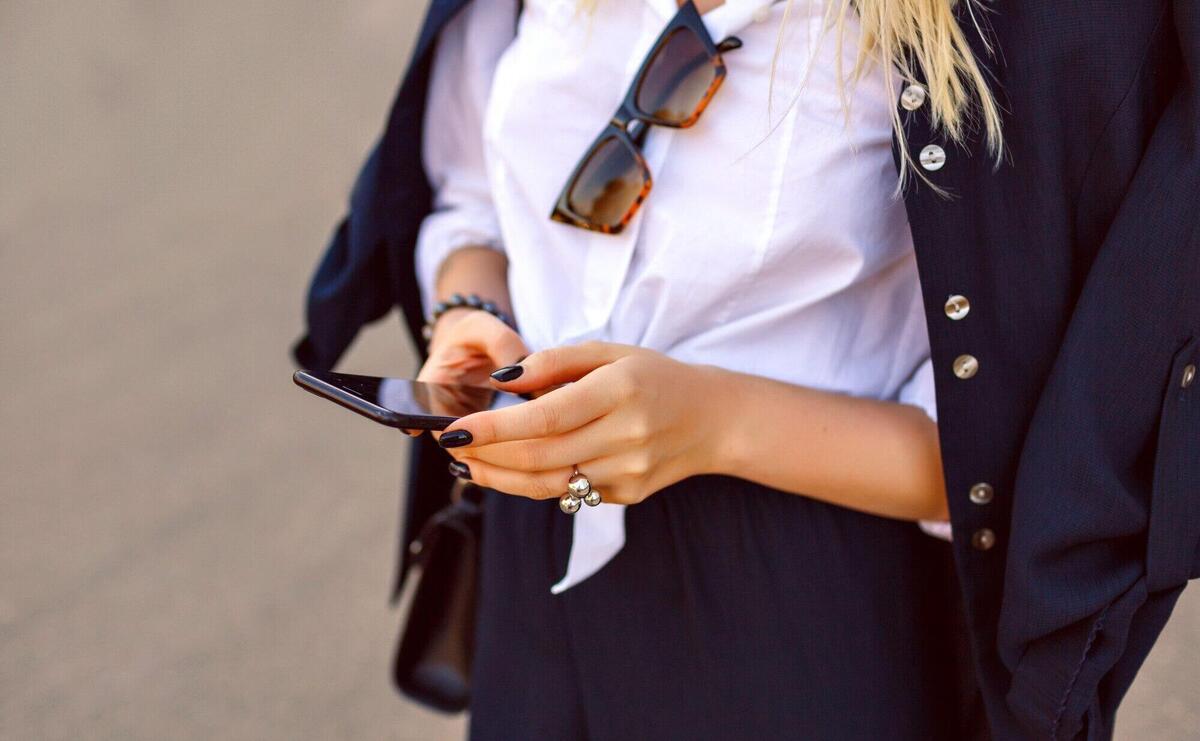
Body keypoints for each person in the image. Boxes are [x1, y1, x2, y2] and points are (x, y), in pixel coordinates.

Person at [295, 1, 1200, 738]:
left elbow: (1035, 451)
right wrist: (472, 312)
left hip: (806, 604)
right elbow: (465, 192)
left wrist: (714, 421)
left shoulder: (1020, 30)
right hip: (532, 572)